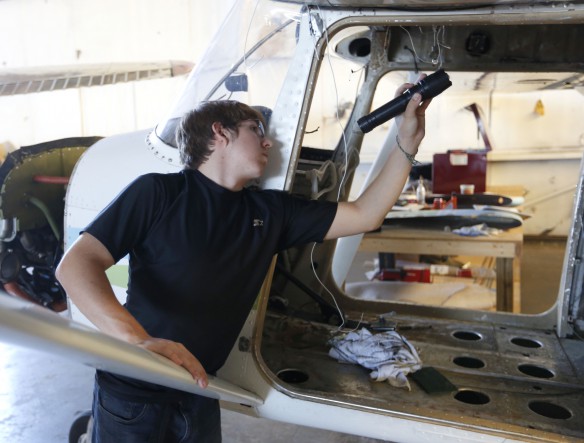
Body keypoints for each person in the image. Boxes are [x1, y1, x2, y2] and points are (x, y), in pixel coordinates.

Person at [56, 78, 431, 442]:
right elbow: (76, 265)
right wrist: (137, 342)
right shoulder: (158, 192)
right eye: (256, 129)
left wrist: (407, 139)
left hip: (199, 388)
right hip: (133, 391)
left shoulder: (271, 212)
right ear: (219, 133)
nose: (269, 141)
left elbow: (367, 214)